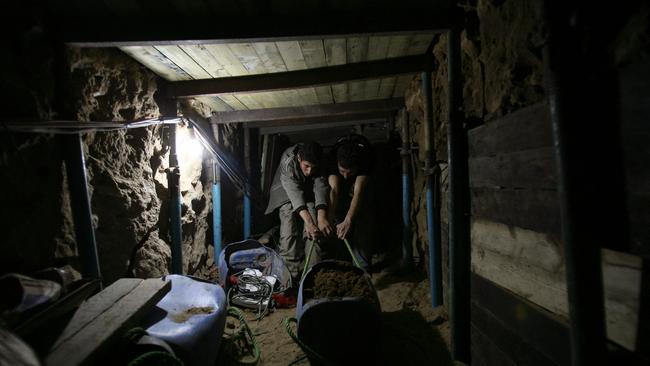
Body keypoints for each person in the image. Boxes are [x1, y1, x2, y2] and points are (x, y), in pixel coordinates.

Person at [265, 141, 333, 281]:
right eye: (306, 166)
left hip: (307, 191)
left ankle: (313, 275)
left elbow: (321, 187)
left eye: (313, 168)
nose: (309, 171)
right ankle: (290, 276)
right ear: (299, 158)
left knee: (315, 224)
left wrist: (321, 218)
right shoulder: (288, 160)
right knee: (288, 220)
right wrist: (308, 222)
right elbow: (294, 193)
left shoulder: (320, 161)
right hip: (284, 190)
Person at [327, 134, 374, 270]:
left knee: (363, 214)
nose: (346, 175)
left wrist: (349, 220)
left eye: (349, 172)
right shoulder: (332, 158)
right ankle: (342, 262)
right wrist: (330, 217)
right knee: (337, 217)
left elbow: (358, 192)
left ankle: (362, 266)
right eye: (342, 171)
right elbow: (334, 190)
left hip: (362, 182)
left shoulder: (365, 159)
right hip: (340, 187)